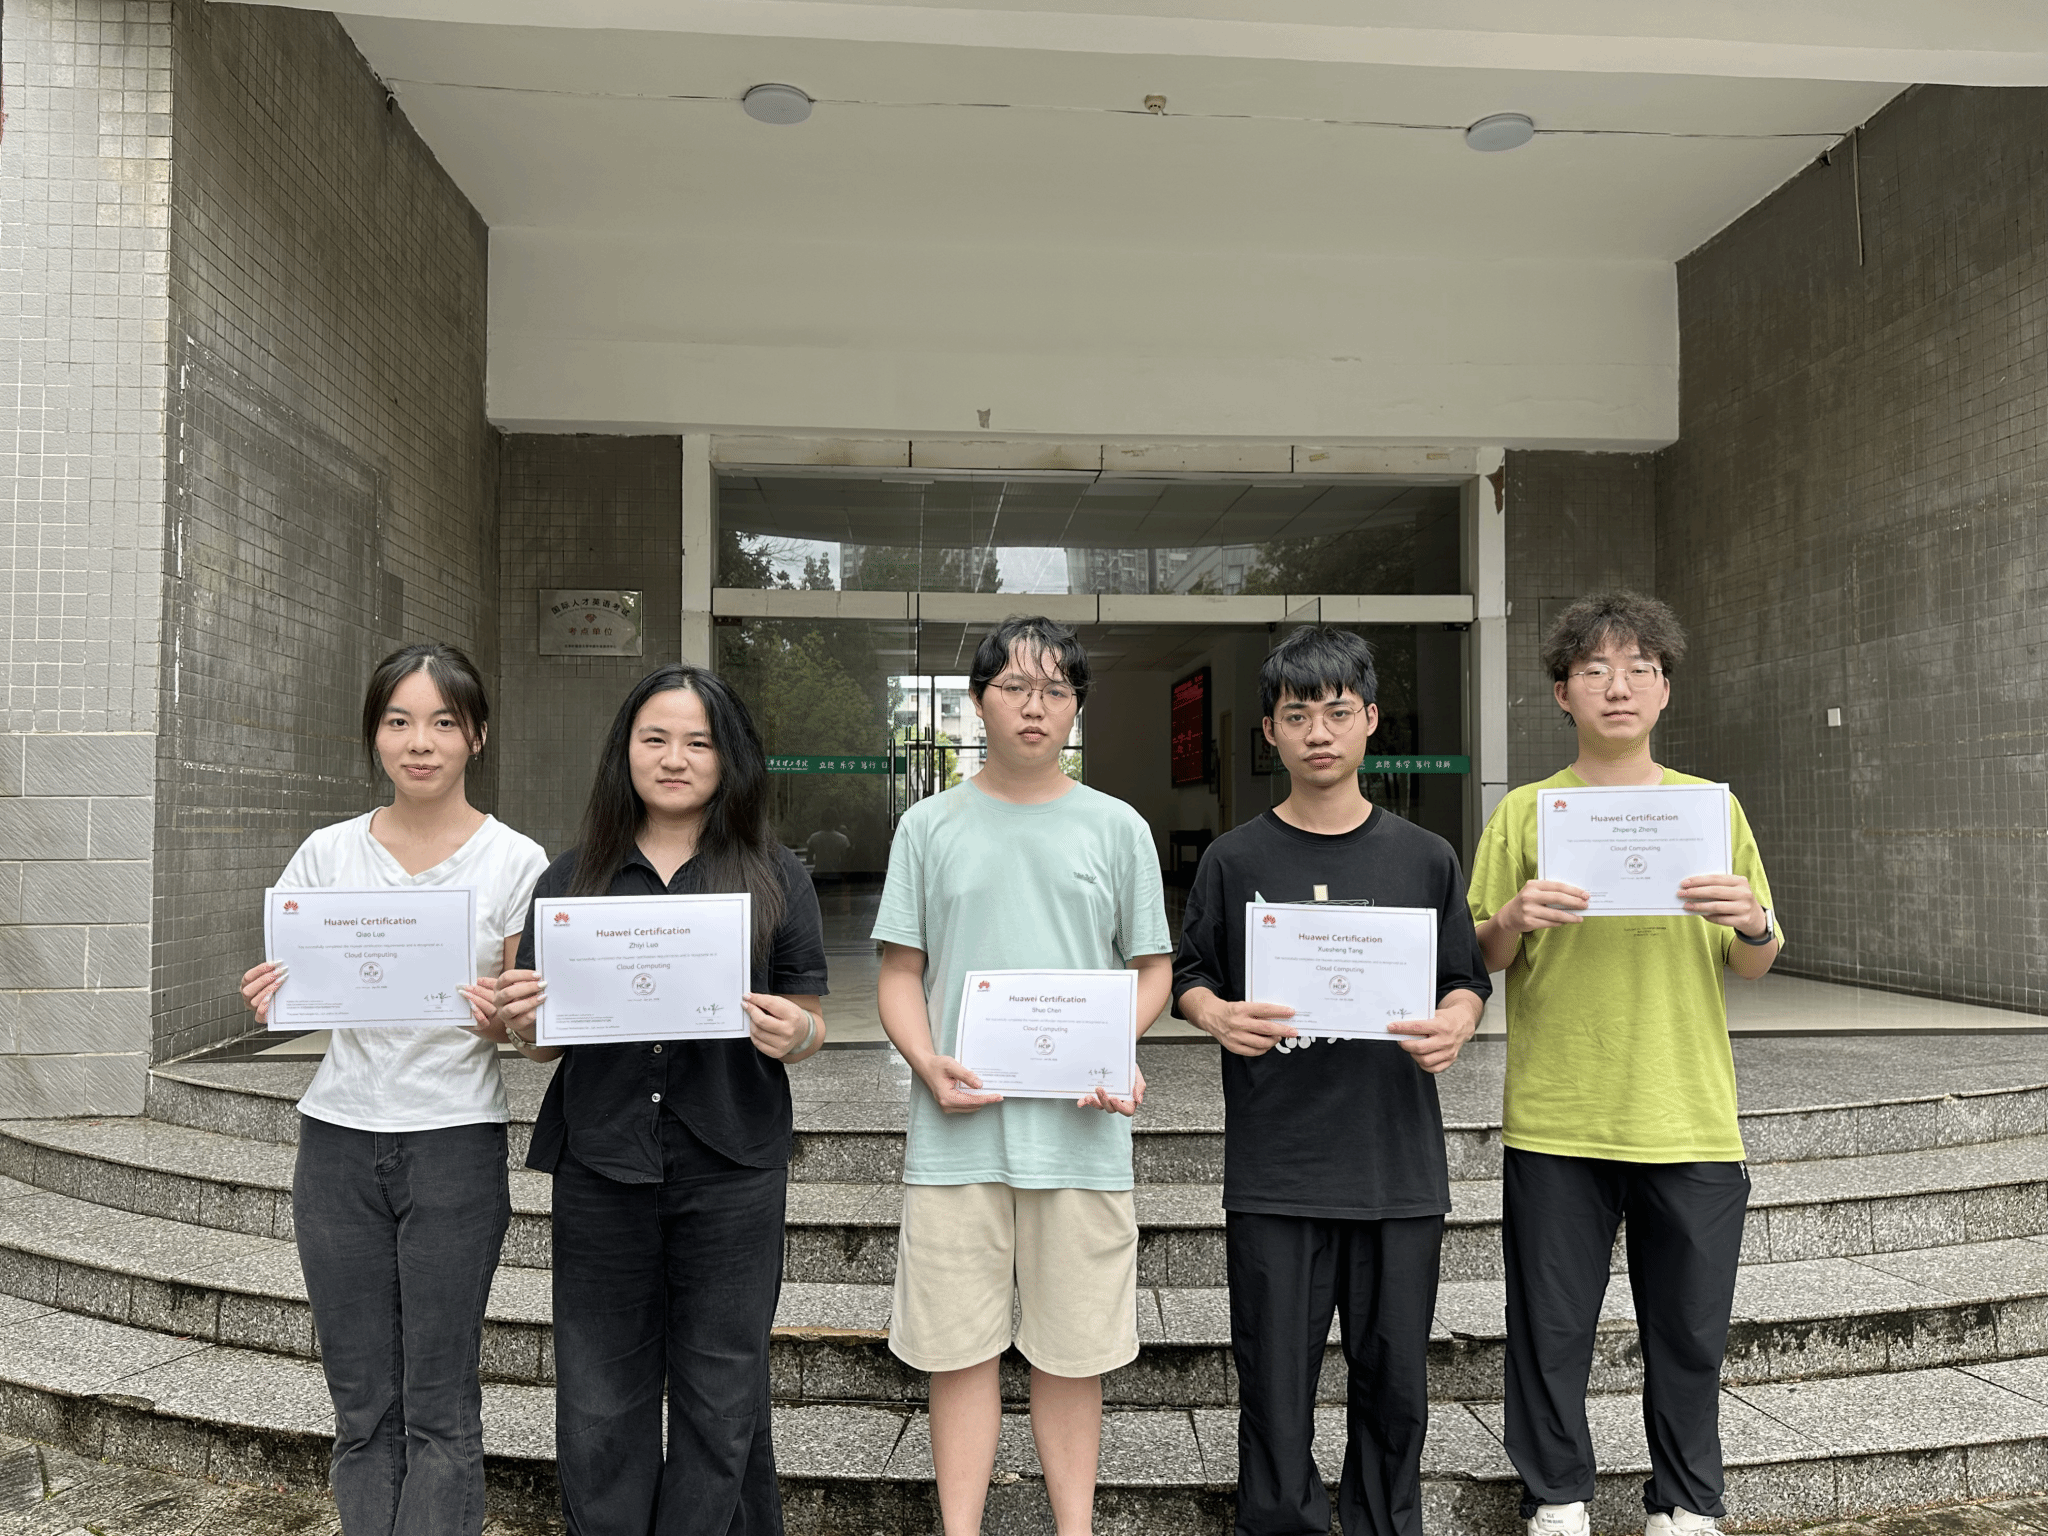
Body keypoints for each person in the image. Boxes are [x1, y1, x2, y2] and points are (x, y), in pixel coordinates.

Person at [1468, 591, 1781, 1536]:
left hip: (1686, 1111)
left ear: (1665, 690)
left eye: (1641, 668)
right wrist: (1513, 917)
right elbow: (1480, 955)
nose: (1619, 686)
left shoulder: (1710, 809)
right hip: (1560, 1112)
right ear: (1561, 692)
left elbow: (1756, 959)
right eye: (1595, 669)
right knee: (1550, 1328)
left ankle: (1686, 1503)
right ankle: (1557, 1494)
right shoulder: (1526, 813)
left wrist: (1750, 919)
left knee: (1689, 1332)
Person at [493, 664, 828, 1536]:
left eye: (699, 743)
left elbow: (809, 1019)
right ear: (626, 752)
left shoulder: (775, 875)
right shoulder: (571, 879)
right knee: (600, 1392)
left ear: (730, 759)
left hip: (732, 1162)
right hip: (603, 1159)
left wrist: (798, 1032)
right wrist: (522, 1022)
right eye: (656, 739)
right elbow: (544, 1043)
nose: (675, 759)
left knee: (723, 1389)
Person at [1171, 625, 1490, 1536]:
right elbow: (1190, 974)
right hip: (1278, 1167)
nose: (1319, 731)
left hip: (1395, 1165)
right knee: (1274, 1387)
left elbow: (1465, 977)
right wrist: (1215, 1014)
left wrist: (1458, 1021)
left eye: (1338, 712)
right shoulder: (1235, 860)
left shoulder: (1424, 857)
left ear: (1370, 721)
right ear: (1269, 732)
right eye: (1296, 715)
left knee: (1396, 1386)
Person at [239, 643, 549, 1536]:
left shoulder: (516, 862)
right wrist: (274, 994)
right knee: (361, 1406)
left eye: (444, 722)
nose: (421, 742)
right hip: (337, 1143)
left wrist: (510, 1022)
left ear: (477, 736)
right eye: (399, 721)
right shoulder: (327, 854)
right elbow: (303, 990)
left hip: (454, 1142)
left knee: (440, 1406)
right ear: (375, 734)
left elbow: (537, 1042)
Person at [874, 614, 1172, 1536]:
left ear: (1077, 705)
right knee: (956, 1352)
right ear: (978, 701)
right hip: (957, 1137)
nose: (1034, 706)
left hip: (1079, 1135)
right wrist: (925, 1060)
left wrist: (1112, 1044)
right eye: (1014, 687)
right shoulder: (928, 826)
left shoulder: (1117, 828)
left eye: (1055, 689)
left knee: (1073, 1355)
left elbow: (1152, 970)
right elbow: (900, 973)